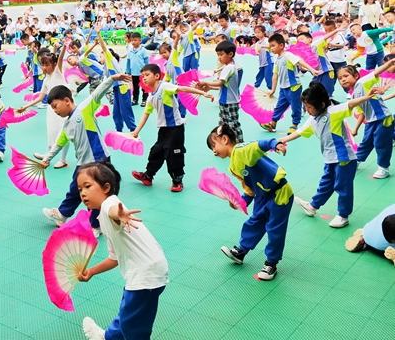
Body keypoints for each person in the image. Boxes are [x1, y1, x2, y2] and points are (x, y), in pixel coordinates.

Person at [76, 162, 168, 340]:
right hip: (149, 270)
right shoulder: (102, 218)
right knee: (130, 312)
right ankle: (108, 337)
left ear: (106, 188)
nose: (83, 193)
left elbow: (114, 210)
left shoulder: (109, 204)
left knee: (134, 326)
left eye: (87, 186)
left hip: (144, 275)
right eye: (80, 189)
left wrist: (119, 214)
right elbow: (114, 258)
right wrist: (92, 272)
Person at [40, 72, 131, 232]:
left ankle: (96, 226)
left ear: (67, 101)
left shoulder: (84, 109)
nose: (54, 110)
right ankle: (62, 214)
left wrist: (111, 79)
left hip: (98, 160)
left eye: (55, 106)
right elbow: (58, 144)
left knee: (96, 194)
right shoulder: (67, 125)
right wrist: (47, 158)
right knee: (76, 189)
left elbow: (98, 93)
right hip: (83, 164)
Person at [281, 83, 379, 228]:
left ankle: (343, 215)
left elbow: (350, 104)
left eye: (309, 107)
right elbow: (299, 132)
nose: (307, 110)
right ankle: (313, 206)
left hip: (344, 159)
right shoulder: (312, 120)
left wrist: (367, 96)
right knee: (326, 184)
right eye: (305, 107)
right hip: (330, 159)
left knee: (342, 187)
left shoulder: (333, 112)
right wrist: (282, 140)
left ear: (321, 104)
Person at [207, 125, 292, 281]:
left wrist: (275, 144)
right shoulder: (233, 166)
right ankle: (241, 252)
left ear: (224, 139)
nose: (213, 151)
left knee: (275, 229)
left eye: (214, 145)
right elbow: (249, 189)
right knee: (254, 222)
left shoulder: (241, 150)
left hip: (279, 193)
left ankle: (271, 264)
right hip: (262, 196)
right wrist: (240, 202)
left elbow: (258, 145)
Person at [131, 64, 213, 192]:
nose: (144, 78)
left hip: (176, 128)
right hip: (163, 130)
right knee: (156, 152)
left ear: (157, 76)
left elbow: (183, 89)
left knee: (173, 154)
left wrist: (203, 93)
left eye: (147, 75)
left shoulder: (164, 87)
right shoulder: (151, 96)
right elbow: (146, 114)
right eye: (142, 76)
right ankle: (148, 176)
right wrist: (136, 131)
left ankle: (177, 181)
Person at [339, 59, 395, 179]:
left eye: (346, 76)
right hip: (370, 122)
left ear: (356, 76)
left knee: (381, 143)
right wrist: (355, 129)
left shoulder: (362, 82)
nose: (343, 79)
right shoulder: (353, 95)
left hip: (383, 118)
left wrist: (389, 64)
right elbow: (362, 114)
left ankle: (383, 168)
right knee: (366, 142)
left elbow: (376, 72)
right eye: (340, 78)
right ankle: (357, 160)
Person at [17, 47, 71, 169]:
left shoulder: (58, 72)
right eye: (42, 65)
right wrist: (25, 106)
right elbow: (40, 97)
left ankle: (63, 160)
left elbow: (61, 58)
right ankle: (48, 154)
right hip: (52, 110)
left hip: (64, 108)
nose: (44, 67)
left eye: (47, 65)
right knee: (51, 132)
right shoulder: (46, 79)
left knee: (64, 133)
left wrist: (63, 46)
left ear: (54, 64)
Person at [260, 34, 320, 134]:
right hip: (283, 89)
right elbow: (275, 75)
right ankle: (273, 123)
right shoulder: (277, 59)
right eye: (270, 46)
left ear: (281, 45)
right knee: (279, 106)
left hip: (294, 86)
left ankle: (294, 125)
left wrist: (312, 69)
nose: (271, 48)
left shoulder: (288, 55)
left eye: (273, 45)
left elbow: (300, 61)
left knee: (295, 107)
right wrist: (273, 90)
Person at [196, 41, 243, 143]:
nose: (219, 57)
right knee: (224, 123)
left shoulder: (228, 68)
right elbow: (225, 86)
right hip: (225, 101)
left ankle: (239, 144)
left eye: (221, 54)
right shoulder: (231, 66)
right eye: (218, 55)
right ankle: (227, 143)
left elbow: (220, 83)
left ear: (230, 54)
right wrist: (209, 87)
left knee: (232, 124)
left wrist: (206, 83)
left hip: (229, 102)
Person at [125, 32, 150, 106]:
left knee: (144, 87)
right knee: (135, 87)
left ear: (140, 41)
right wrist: (128, 71)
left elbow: (146, 62)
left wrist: (147, 71)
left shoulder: (143, 50)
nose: (133, 42)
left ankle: (144, 100)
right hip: (134, 73)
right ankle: (135, 100)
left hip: (142, 73)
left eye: (135, 40)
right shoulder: (130, 51)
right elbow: (128, 61)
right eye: (132, 40)